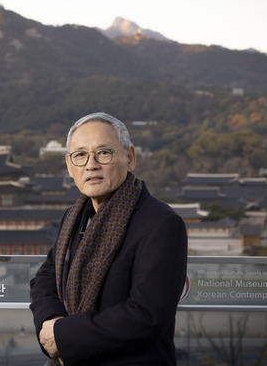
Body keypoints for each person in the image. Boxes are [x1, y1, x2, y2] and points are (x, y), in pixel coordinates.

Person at [29, 112, 188, 365]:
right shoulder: (73, 217)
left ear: (130, 158)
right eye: (80, 155)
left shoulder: (161, 223)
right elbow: (45, 277)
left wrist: (64, 336)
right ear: (70, 167)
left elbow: (146, 316)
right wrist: (50, 324)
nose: (91, 165)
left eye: (103, 153)